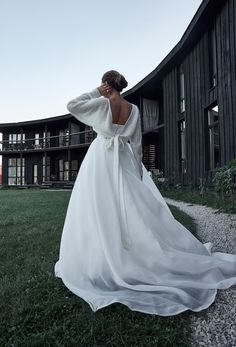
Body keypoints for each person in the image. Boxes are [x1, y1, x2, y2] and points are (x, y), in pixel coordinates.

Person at [54, 70, 236, 316]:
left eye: (103, 83)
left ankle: (109, 253)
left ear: (107, 84)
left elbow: (72, 105)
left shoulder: (101, 103)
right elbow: (137, 144)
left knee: (99, 206)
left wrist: (98, 91)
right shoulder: (134, 110)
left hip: (101, 159)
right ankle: (130, 249)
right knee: (131, 208)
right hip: (124, 159)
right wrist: (138, 173)